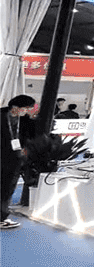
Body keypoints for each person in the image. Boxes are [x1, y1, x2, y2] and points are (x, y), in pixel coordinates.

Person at [1, 95, 37, 229]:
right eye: (26, 108)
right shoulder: (2, 116)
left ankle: (1, 217)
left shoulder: (26, 120)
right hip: (3, 156)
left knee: (7, 189)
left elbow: (30, 136)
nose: (27, 111)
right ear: (16, 107)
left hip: (15, 160)